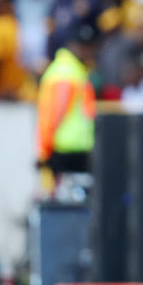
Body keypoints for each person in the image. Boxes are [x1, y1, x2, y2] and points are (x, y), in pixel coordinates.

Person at [36, 30, 96, 189]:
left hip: (72, 145)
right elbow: (57, 111)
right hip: (65, 146)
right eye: (85, 47)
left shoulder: (71, 69)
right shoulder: (66, 71)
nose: (88, 52)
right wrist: (45, 149)